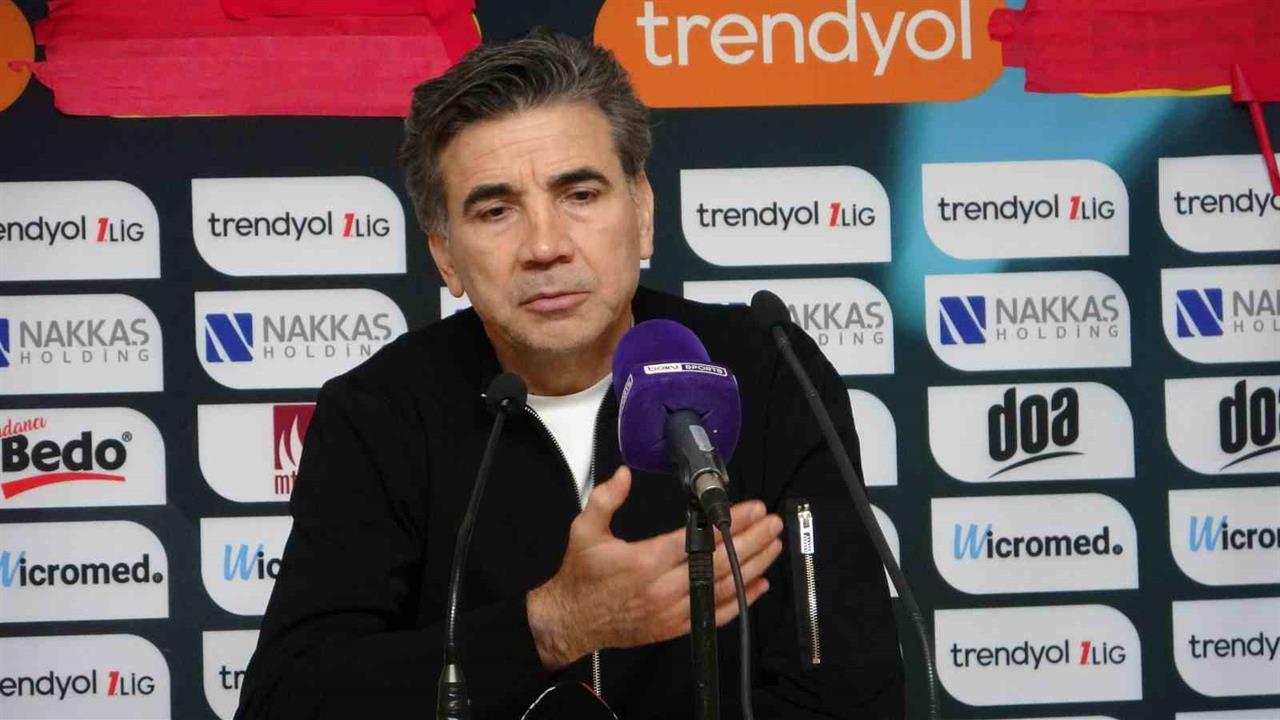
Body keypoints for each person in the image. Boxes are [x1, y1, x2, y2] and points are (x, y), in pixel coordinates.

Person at [235, 29, 903, 719]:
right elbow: (287, 701)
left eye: (579, 194)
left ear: (642, 213)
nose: (545, 246)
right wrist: (552, 625)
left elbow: (855, 695)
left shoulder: (766, 371)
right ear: (445, 256)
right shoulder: (377, 412)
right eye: (496, 211)